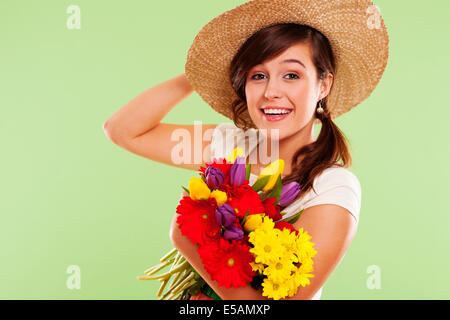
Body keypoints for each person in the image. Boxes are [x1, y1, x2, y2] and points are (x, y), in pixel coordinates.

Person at [103, 0, 389, 300]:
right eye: (258, 75)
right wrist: (198, 73)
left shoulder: (332, 187)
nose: (271, 92)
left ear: (323, 85)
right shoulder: (230, 145)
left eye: (291, 75)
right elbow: (122, 130)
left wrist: (189, 239)